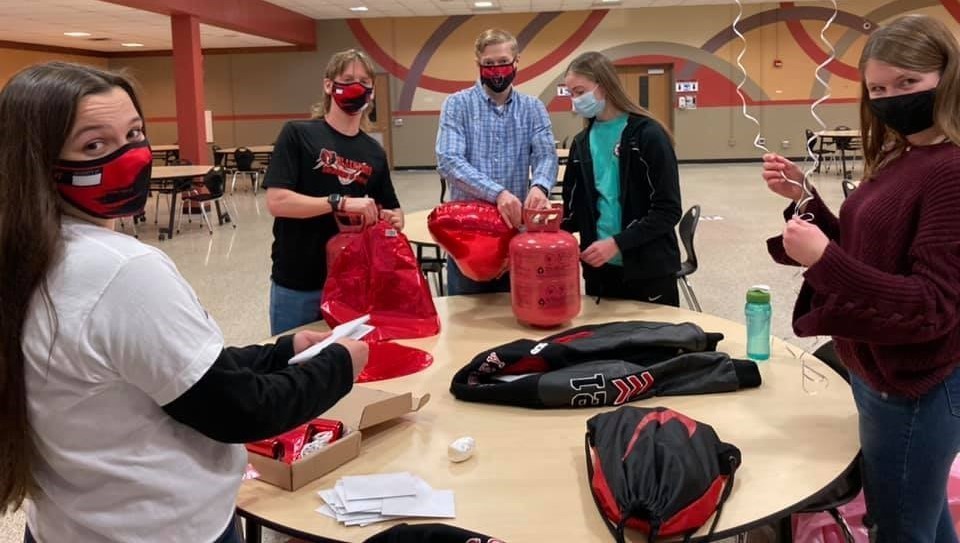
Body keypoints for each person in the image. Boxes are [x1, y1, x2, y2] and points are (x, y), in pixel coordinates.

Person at [0, 62, 369, 543]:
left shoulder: (27, 253)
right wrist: (340, 364)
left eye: (134, 133)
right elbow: (239, 412)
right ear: (38, 159)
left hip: (65, 525)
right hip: (166, 529)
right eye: (94, 145)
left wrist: (279, 352)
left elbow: (167, 372)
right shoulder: (123, 270)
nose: (130, 157)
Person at [762, 14, 960, 542]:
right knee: (923, 512)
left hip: (914, 384)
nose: (891, 98)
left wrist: (824, 259)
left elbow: (932, 307)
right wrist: (806, 199)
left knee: (899, 527)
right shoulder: (904, 153)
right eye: (878, 88)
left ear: (947, 77)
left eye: (907, 84)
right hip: (876, 371)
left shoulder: (950, 170)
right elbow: (870, 248)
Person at [264, 49, 403, 335]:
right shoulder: (298, 134)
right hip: (300, 282)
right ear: (329, 85)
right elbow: (277, 202)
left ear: (372, 93)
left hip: (353, 283)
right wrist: (339, 202)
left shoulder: (374, 152)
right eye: (348, 78)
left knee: (345, 370)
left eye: (364, 81)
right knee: (294, 369)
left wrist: (392, 217)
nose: (357, 86)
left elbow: (393, 207)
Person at [436, 28, 558, 295]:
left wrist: (540, 186)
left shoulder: (533, 108)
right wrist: (499, 193)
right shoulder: (457, 105)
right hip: (469, 237)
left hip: (517, 233)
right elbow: (449, 160)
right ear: (478, 64)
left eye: (503, 62)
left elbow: (546, 155)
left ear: (516, 62)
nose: (497, 69)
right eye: (488, 64)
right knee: (468, 319)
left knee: (519, 312)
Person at [560, 52, 682, 306]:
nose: (575, 100)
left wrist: (617, 243)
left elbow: (668, 210)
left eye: (580, 91)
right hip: (601, 271)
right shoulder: (581, 143)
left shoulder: (648, 135)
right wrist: (546, 232)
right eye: (571, 93)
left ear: (603, 86)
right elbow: (574, 210)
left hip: (649, 269)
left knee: (652, 344)